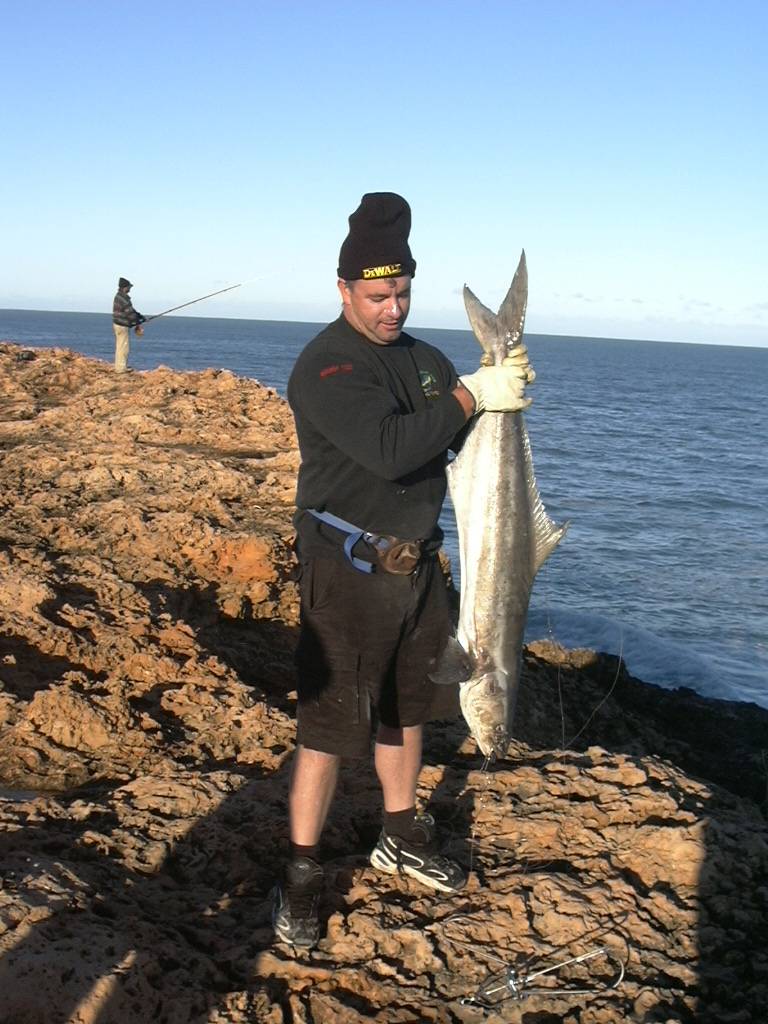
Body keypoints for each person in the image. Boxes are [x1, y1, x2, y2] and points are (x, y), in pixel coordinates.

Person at [273, 192, 534, 948]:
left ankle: (399, 833)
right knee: (327, 731)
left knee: (407, 710)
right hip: (345, 567)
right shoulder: (324, 365)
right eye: (378, 295)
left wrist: (502, 394)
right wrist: (470, 394)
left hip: (418, 569)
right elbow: (392, 449)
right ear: (344, 288)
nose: (393, 308)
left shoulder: (427, 361)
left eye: (403, 293)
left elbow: (455, 441)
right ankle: (301, 873)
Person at [112, 277, 145, 373]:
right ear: (125, 287)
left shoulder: (119, 296)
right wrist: (138, 323)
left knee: (120, 346)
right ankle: (121, 369)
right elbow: (129, 313)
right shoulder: (124, 298)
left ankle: (119, 367)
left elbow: (131, 311)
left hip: (117, 324)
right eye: (129, 287)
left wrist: (139, 316)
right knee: (124, 347)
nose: (130, 289)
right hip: (122, 325)